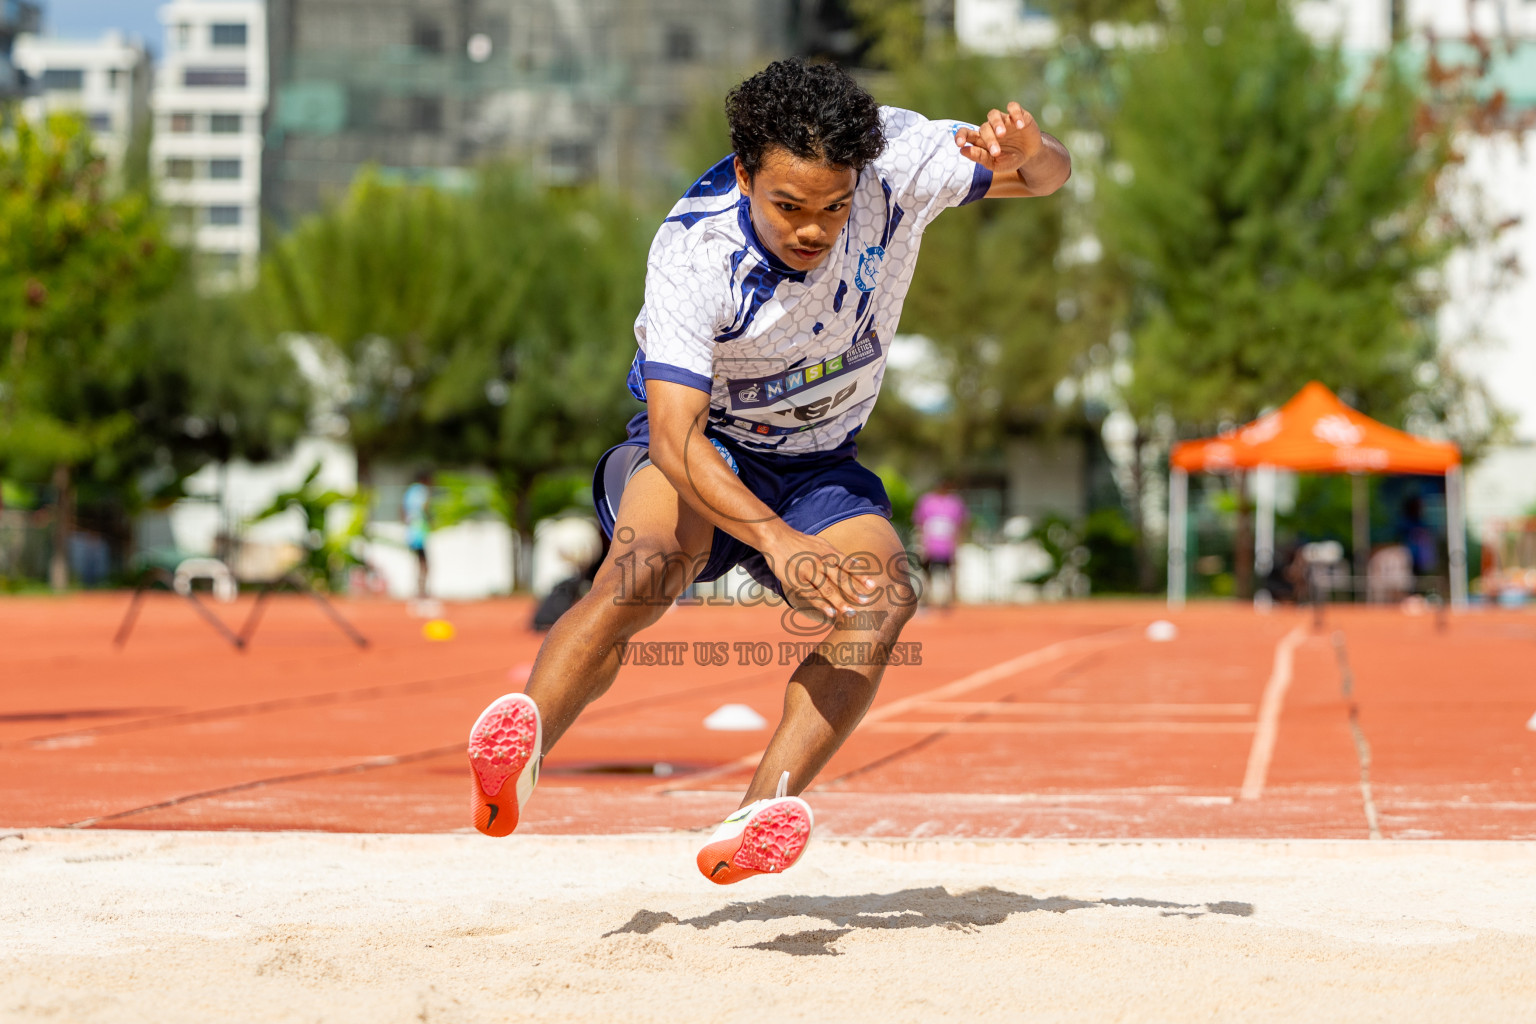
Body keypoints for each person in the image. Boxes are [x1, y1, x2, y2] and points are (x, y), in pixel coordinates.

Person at [466, 59, 1071, 882]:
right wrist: (777, 541)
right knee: (642, 575)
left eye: (833, 207)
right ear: (745, 172)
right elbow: (677, 440)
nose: (814, 231)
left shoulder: (894, 156)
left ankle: (756, 814)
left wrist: (1032, 149)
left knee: (884, 597)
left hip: (820, 460)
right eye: (788, 206)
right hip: (702, 449)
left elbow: (1043, 180)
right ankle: (523, 737)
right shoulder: (693, 252)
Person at [913, 481, 967, 609]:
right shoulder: (926, 501)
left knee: (947, 574)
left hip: (947, 547)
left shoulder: (954, 503)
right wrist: (921, 543)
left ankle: (946, 600)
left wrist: (957, 544)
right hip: (930, 546)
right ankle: (926, 598)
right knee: (927, 574)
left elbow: (960, 524)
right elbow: (919, 523)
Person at [402, 472, 432, 601]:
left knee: (419, 562)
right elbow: (425, 507)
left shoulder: (410, 491)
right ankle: (421, 592)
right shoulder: (422, 491)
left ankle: (419, 591)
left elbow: (403, 510)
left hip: (411, 531)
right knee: (424, 563)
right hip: (419, 531)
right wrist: (430, 519)